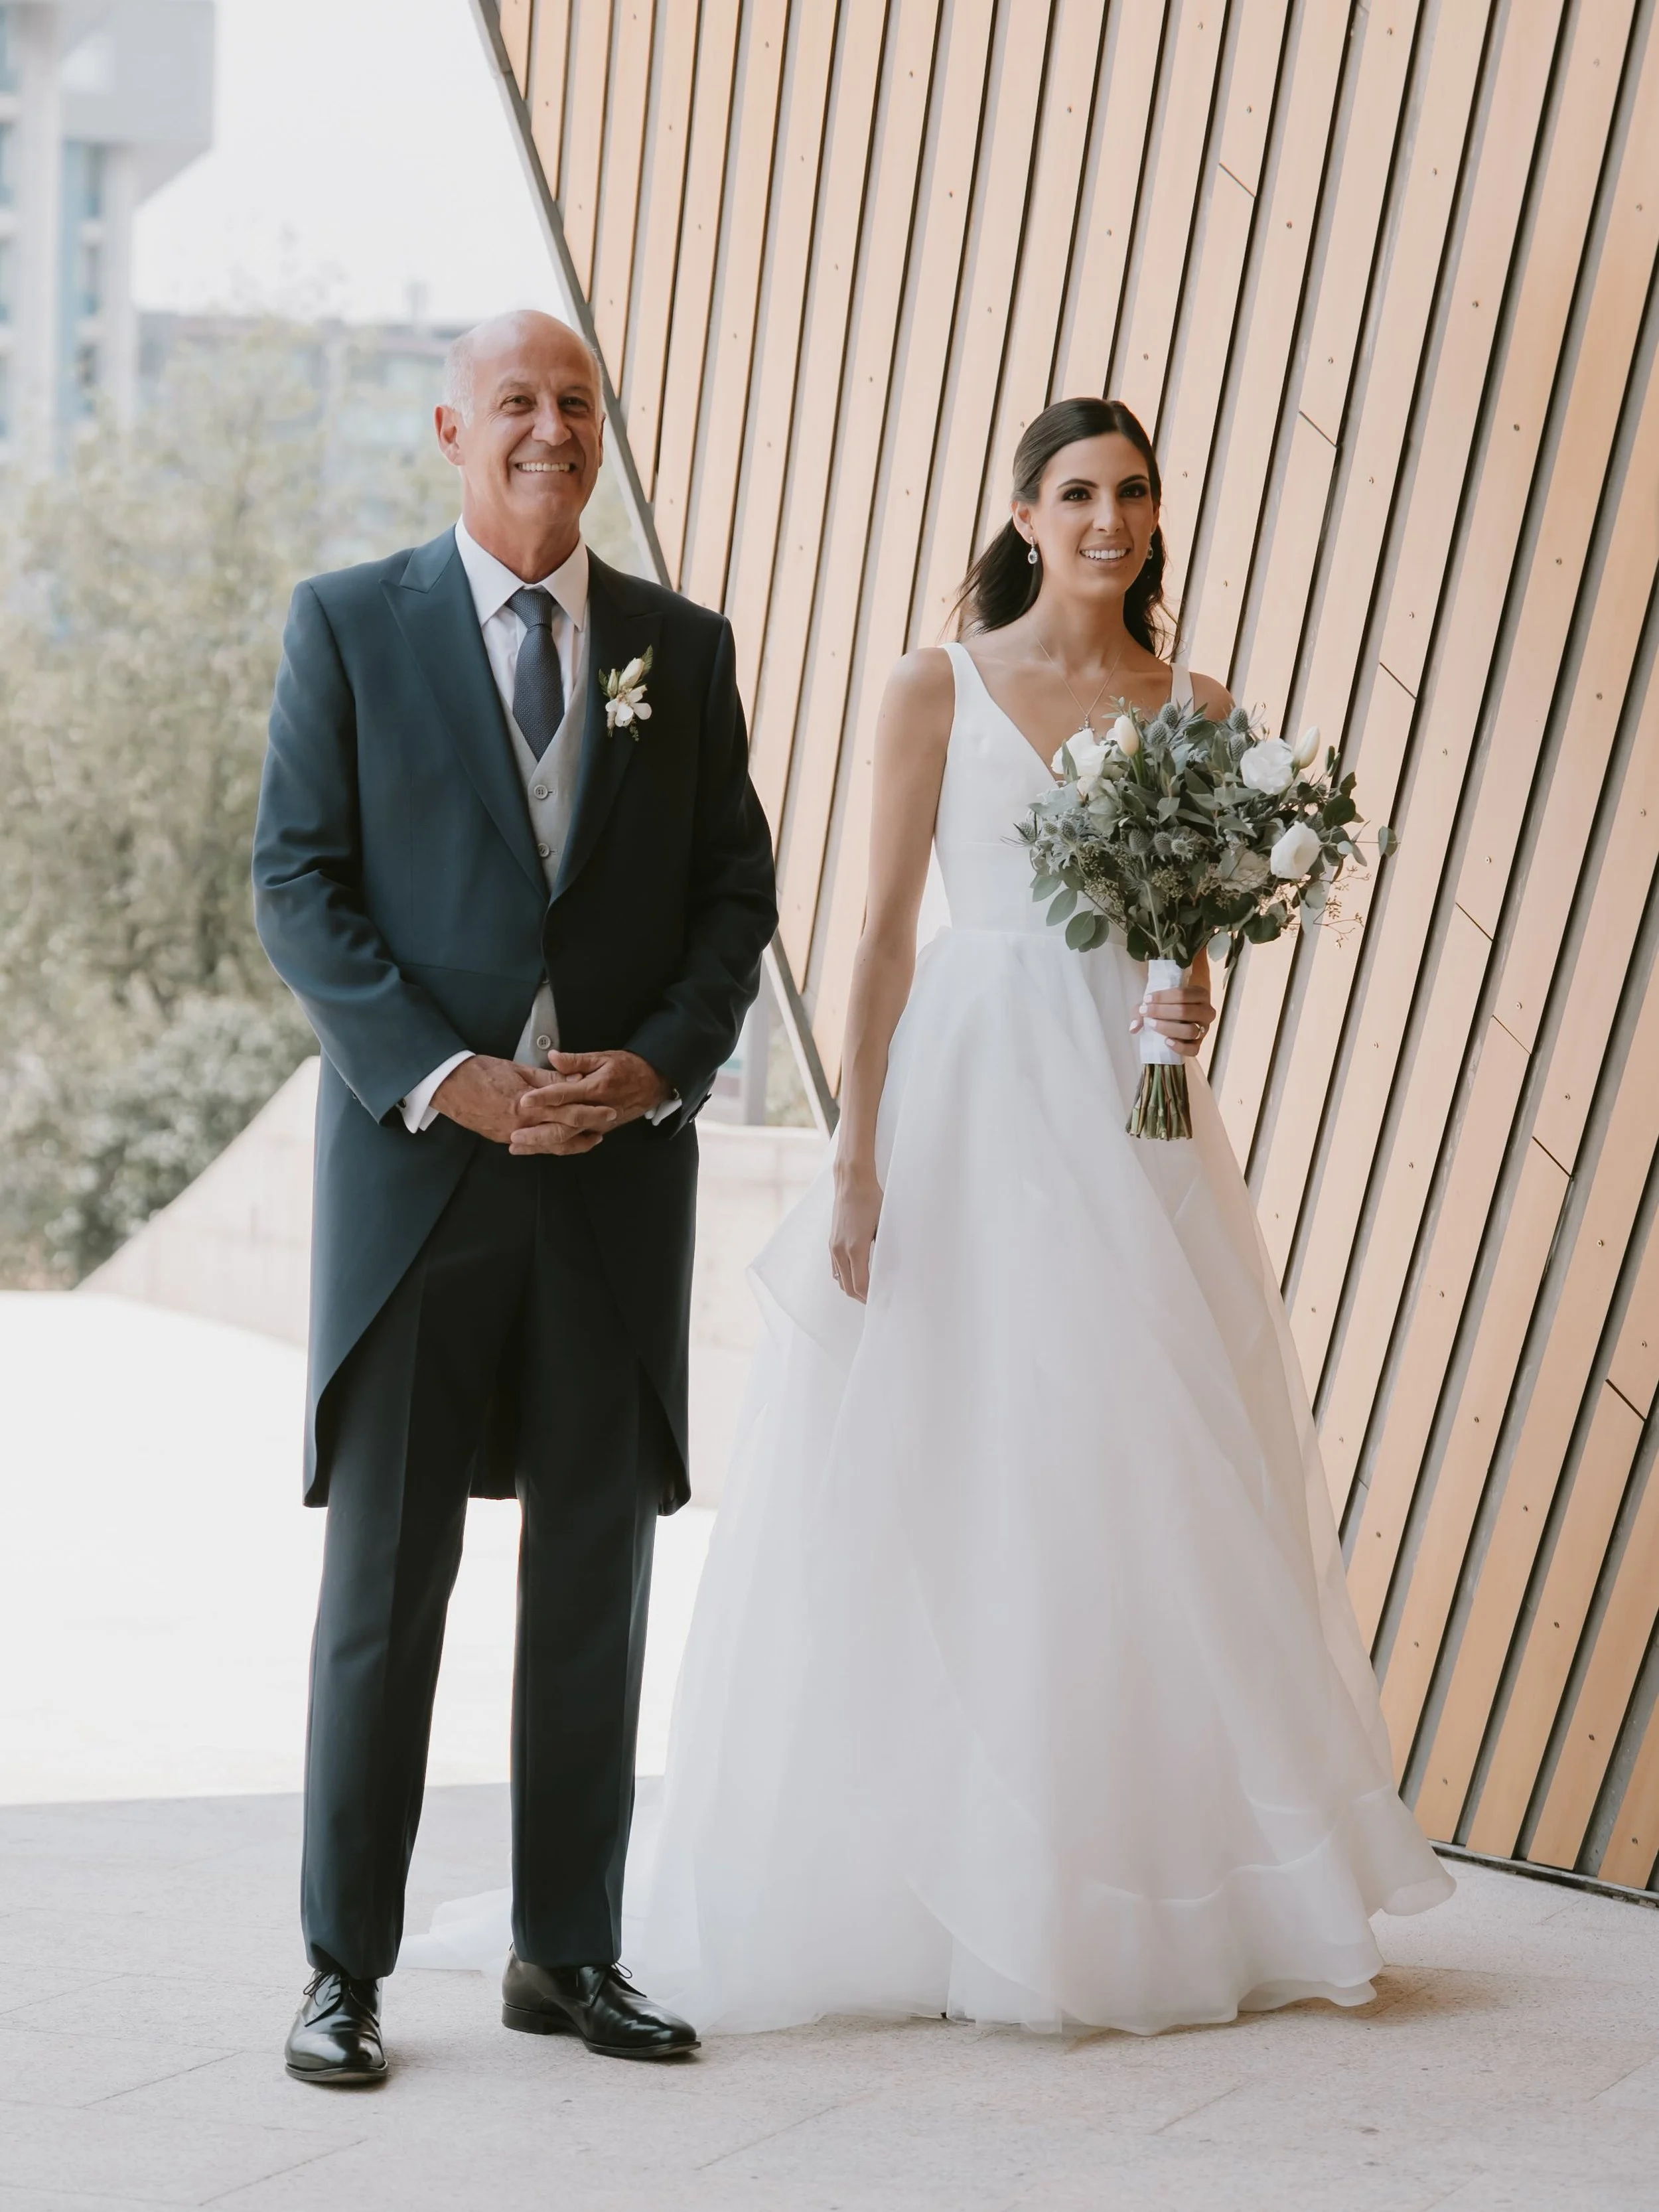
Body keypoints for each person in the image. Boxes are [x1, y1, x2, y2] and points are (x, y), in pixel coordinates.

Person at [625, 396, 1453, 2033]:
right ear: (1021, 514)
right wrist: (854, 1157)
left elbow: (1187, 935)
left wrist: (1183, 992)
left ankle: (1151, 1877)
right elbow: (870, 938)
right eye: (1076, 491)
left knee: (1143, 1465)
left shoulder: (1194, 705)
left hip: (1134, 1122)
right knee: (969, 1452)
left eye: (1132, 493)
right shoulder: (934, 687)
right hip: (969, 1097)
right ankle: (944, 1878)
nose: (1107, 518)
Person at [252, 310, 776, 2081]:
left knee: (592, 1579)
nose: (551, 429)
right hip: (417, 1185)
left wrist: (656, 1063)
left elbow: (731, 895)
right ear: (449, 428)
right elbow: (298, 884)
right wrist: (437, 1073)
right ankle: (343, 1970)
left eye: (577, 403)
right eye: (518, 404)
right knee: (387, 1585)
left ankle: (567, 1951)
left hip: (611, 1182)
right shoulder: (348, 623)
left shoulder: (677, 651)